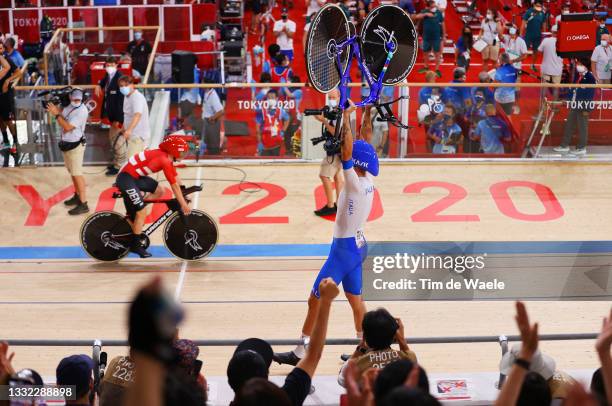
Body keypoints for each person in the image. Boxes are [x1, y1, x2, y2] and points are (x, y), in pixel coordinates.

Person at [274, 100, 378, 366]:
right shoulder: (369, 179)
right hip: (358, 246)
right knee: (356, 300)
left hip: (343, 250)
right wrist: (365, 113)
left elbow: (348, 147)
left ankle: (300, 352)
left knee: (314, 300)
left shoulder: (354, 182)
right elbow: (364, 143)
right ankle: (366, 347)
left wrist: (345, 115)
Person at [228, 278, 339, 406]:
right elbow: (314, 355)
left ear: (230, 380)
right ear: (267, 377)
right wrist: (326, 302)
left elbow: (313, 356)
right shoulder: (287, 399)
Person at [115, 136, 191, 258]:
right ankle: (135, 245)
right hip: (126, 178)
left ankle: (137, 212)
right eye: (182, 152)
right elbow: (174, 186)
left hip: (134, 177)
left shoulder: (167, 157)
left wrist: (184, 189)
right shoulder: (164, 159)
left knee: (159, 190)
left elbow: (175, 176)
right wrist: (183, 203)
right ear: (174, 150)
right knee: (142, 211)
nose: (184, 154)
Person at [338, 309, 416, 387]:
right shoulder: (409, 357)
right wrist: (401, 339)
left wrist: (360, 349)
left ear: (365, 337)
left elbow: (342, 380)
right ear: (394, 336)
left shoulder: (358, 364)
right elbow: (412, 367)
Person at [46, 88, 90, 215]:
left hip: (76, 145)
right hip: (67, 144)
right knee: (72, 172)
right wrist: (55, 109)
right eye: (73, 98)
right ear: (70, 97)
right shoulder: (69, 105)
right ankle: (77, 196)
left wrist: (56, 114)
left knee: (77, 173)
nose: (75, 101)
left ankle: (83, 203)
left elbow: (67, 126)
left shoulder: (82, 111)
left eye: (78, 99)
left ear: (82, 99)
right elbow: (63, 116)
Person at [554, 59, 596, 156]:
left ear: (585, 66)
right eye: (578, 63)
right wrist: (568, 99)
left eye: (580, 64)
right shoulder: (578, 75)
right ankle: (564, 145)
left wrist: (586, 109)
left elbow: (590, 94)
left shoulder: (590, 78)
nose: (578, 65)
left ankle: (582, 147)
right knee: (569, 125)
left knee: (582, 127)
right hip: (574, 105)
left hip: (583, 106)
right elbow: (572, 88)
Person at [314, 89, 344, 216]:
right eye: (329, 97)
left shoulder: (340, 114)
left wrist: (324, 121)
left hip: (337, 150)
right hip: (336, 149)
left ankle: (331, 205)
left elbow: (336, 133)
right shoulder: (334, 111)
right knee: (337, 176)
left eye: (333, 97)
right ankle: (339, 204)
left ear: (339, 97)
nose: (331, 99)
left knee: (324, 175)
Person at [95, 56, 125, 176]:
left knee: (118, 141)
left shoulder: (120, 78)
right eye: (108, 65)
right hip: (111, 114)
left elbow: (121, 101)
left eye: (112, 65)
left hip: (118, 116)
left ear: (116, 65)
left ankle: (120, 166)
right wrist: (98, 85)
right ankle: (116, 162)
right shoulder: (108, 76)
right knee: (113, 139)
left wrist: (118, 119)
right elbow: (103, 81)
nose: (109, 67)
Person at [119, 75, 149, 159]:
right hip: (132, 135)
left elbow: (137, 115)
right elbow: (128, 114)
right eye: (121, 86)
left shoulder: (137, 97)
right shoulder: (127, 96)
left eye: (126, 85)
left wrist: (129, 130)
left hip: (138, 136)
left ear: (132, 85)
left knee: (132, 162)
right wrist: (124, 127)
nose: (123, 88)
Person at [415, 1, 445, 77]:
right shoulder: (425, 11)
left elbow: (443, 24)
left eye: (434, 4)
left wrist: (444, 35)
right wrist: (425, 14)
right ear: (429, 5)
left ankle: (437, 70)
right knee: (425, 53)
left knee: (437, 54)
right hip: (426, 37)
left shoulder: (439, 12)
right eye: (433, 4)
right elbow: (416, 16)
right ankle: (426, 67)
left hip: (436, 37)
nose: (434, 5)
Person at [256, 89, 290, 157]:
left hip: (277, 145)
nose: (270, 99)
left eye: (272, 98)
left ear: (277, 99)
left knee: (277, 163)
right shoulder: (262, 112)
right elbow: (258, 130)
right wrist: (259, 143)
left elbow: (287, 119)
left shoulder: (281, 111)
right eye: (269, 98)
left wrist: (283, 131)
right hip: (265, 145)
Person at [0, 42, 19, 156]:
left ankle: (15, 142)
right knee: (0, 119)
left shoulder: (7, 59)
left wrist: (8, 81)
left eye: (1, 47)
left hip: (5, 94)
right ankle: (6, 141)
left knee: (7, 119)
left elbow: (18, 72)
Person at [538, 24, 564, 99]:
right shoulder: (562, 41)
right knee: (556, 89)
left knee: (544, 88)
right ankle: (554, 108)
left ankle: (542, 108)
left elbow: (539, 51)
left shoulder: (546, 41)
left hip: (546, 69)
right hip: (557, 70)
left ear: (552, 32)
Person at [521, 1, 547, 71]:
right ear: (534, 5)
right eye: (537, 6)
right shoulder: (528, 12)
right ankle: (519, 65)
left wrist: (544, 34)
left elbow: (544, 23)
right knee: (523, 51)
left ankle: (532, 65)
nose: (538, 7)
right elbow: (523, 23)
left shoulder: (542, 13)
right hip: (528, 35)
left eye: (540, 6)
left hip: (538, 36)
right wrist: (520, 35)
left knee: (535, 51)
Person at [201, 80, 224, 155]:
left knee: (213, 147)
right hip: (206, 122)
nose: (201, 84)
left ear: (207, 85)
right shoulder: (207, 92)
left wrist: (213, 118)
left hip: (211, 123)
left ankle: (216, 160)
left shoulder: (213, 96)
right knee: (206, 143)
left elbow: (220, 111)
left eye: (203, 83)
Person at [282, 75, 303, 156]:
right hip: (289, 116)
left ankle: (294, 152)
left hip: (296, 117)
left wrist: (283, 85)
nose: (288, 82)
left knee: (293, 134)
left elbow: (290, 95)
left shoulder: (299, 91)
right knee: (287, 134)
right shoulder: (290, 92)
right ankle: (289, 151)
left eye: (289, 80)